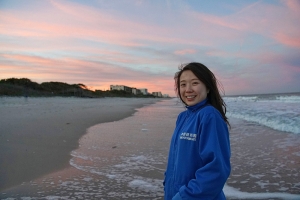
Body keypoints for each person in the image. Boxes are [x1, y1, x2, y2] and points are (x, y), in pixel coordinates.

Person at [164, 62, 231, 200]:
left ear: (208, 88)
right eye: (183, 84)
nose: (188, 89)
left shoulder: (209, 115)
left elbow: (216, 169)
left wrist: (184, 196)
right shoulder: (183, 117)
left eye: (195, 83)